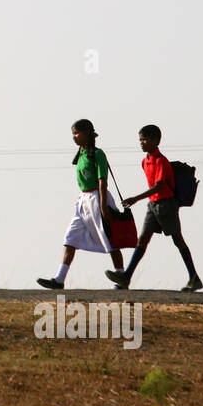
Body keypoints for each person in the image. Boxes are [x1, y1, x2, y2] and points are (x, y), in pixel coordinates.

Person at [106, 124, 203, 292]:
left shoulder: (160, 161)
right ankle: (126, 277)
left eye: (145, 139)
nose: (141, 143)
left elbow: (159, 186)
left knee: (177, 239)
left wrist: (135, 198)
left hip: (166, 204)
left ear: (156, 141)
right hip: (153, 205)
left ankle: (194, 278)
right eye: (140, 140)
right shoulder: (145, 162)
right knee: (143, 239)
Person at [37, 119, 125, 289]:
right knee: (70, 238)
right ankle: (59, 279)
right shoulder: (81, 154)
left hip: (97, 198)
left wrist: (104, 206)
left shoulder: (97, 154)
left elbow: (102, 181)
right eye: (73, 134)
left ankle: (121, 276)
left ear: (87, 134)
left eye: (77, 133)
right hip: (83, 200)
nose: (74, 137)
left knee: (109, 238)